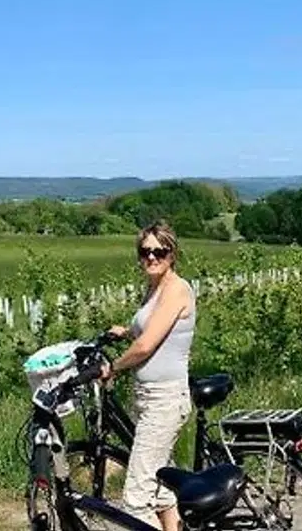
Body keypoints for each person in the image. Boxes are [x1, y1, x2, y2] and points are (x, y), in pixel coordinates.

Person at [99, 220, 196, 531]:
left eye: (160, 251)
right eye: (145, 252)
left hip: (164, 399)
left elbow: (146, 346)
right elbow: (148, 329)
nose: (152, 257)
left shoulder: (177, 289)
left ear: (172, 254)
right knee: (161, 489)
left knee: (136, 501)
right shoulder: (154, 288)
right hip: (147, 397)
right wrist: (126, 331)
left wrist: (113, 367)